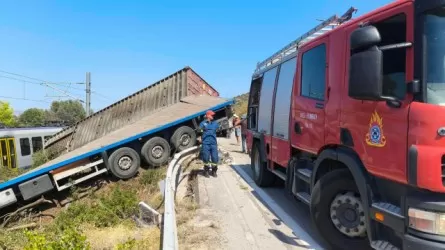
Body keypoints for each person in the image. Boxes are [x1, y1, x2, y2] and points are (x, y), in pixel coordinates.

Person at [198, 110, 220, 177]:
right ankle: (206, 171)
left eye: (213, 115)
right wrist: (201, 132)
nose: (213, 116)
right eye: (211, 115)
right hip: (205, 143)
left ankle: (214, 171)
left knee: (215, 158)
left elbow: (218, 129)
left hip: (213, 143)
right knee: (206, 157)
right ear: (208, 116)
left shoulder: (215, 123)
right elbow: (199, 131)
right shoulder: (202, 123)